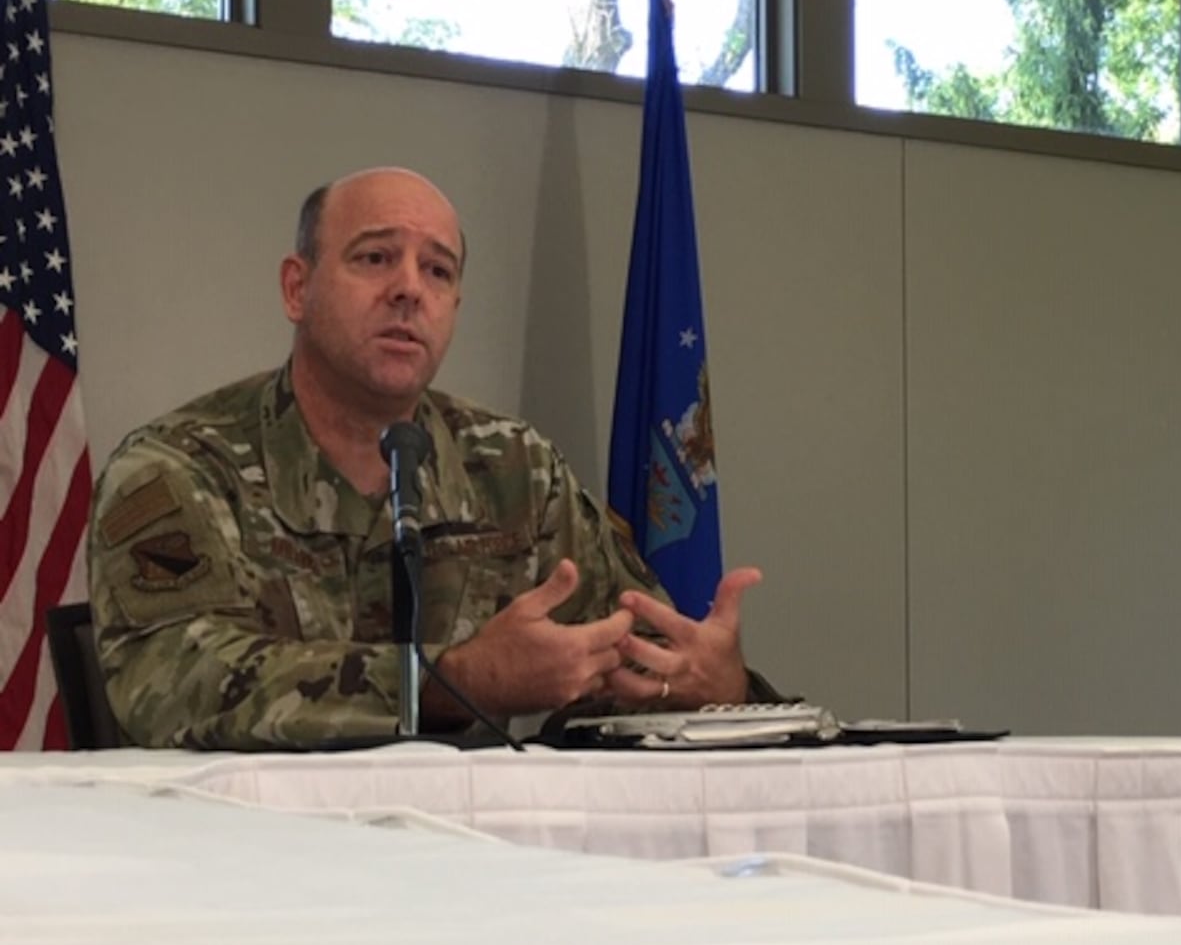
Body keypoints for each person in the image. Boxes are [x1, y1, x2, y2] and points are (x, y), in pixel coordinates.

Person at [88, 167, 772, 749]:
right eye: (375, 258)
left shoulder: (514, 470)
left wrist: (716, 685)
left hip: (476, 861)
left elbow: (641, 658)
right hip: (249, 865)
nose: (409, 289)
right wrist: (450, 681)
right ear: (298, 289)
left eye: (437, 270)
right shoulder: (180, 468)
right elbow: (173, 680)